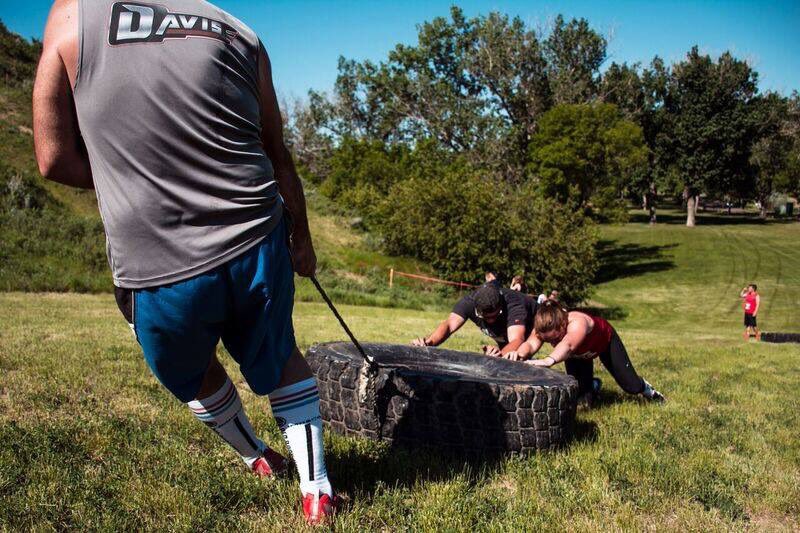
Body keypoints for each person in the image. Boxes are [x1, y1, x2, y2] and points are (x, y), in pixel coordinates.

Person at [33, 0, 335, 523]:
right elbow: (276, 151)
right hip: (255, 236)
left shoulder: (71, 13)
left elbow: (52, 157)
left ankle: (255, 455)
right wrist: (302, 242)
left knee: (189, 370)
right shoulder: (240, 29)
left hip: (157, 257)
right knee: (281, 354)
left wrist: (127, 177)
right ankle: (317, 492)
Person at [506, 301, 665, 407]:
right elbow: (530, 344)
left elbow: (567, 344)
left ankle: (646, 388)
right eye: (547, 340)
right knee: (582, 401)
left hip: (604, 345)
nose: (552, 341)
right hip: (577, 356)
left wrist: (549, 360)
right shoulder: (543, 328)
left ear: (563, 324)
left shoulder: (577, 322)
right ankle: (593, 385)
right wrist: (518, 355)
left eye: (555, 338)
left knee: (631, 387)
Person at [411, 284, 537, 356]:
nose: (491, 321)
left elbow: (517, 339)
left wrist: (498, 358)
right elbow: (449, 325)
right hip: (504, 336)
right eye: (487, 318)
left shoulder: (514, 305)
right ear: (477, 310)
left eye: (495, 315)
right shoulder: (469, 302)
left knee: (516, 361)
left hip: (536, 327)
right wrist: (428, 343)